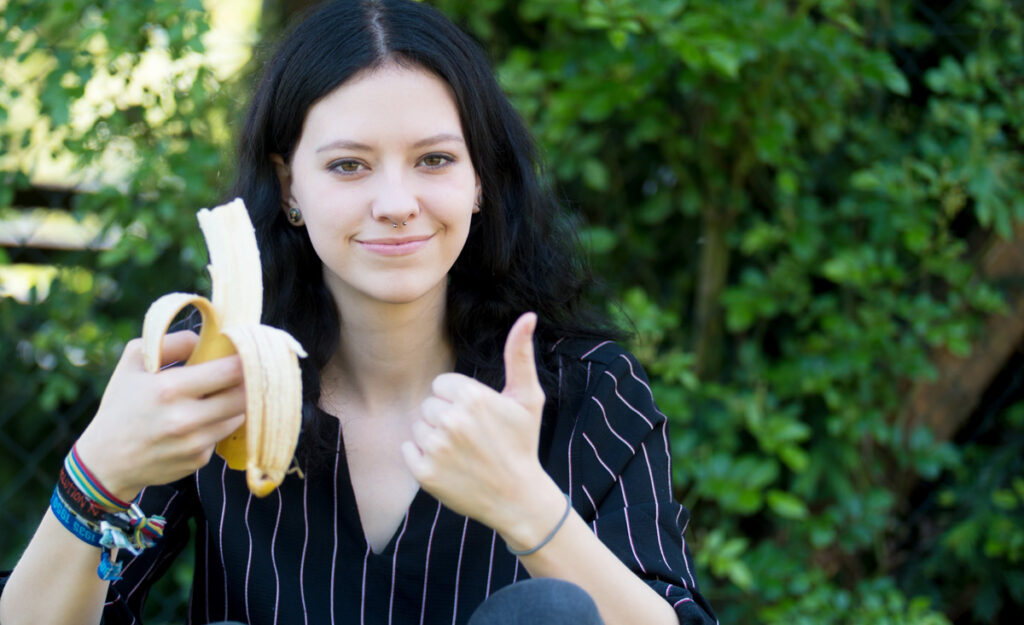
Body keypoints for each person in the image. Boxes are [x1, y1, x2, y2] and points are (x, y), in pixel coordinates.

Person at [0, 1, 717, 623]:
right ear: (290, 188)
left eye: (434, 159)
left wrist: (527, 505)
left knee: (551, 612)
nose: (396, 202)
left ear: (478, 181)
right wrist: (96, 472)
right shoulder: (209, 380)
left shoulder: (588, 386)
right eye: (349, 165)